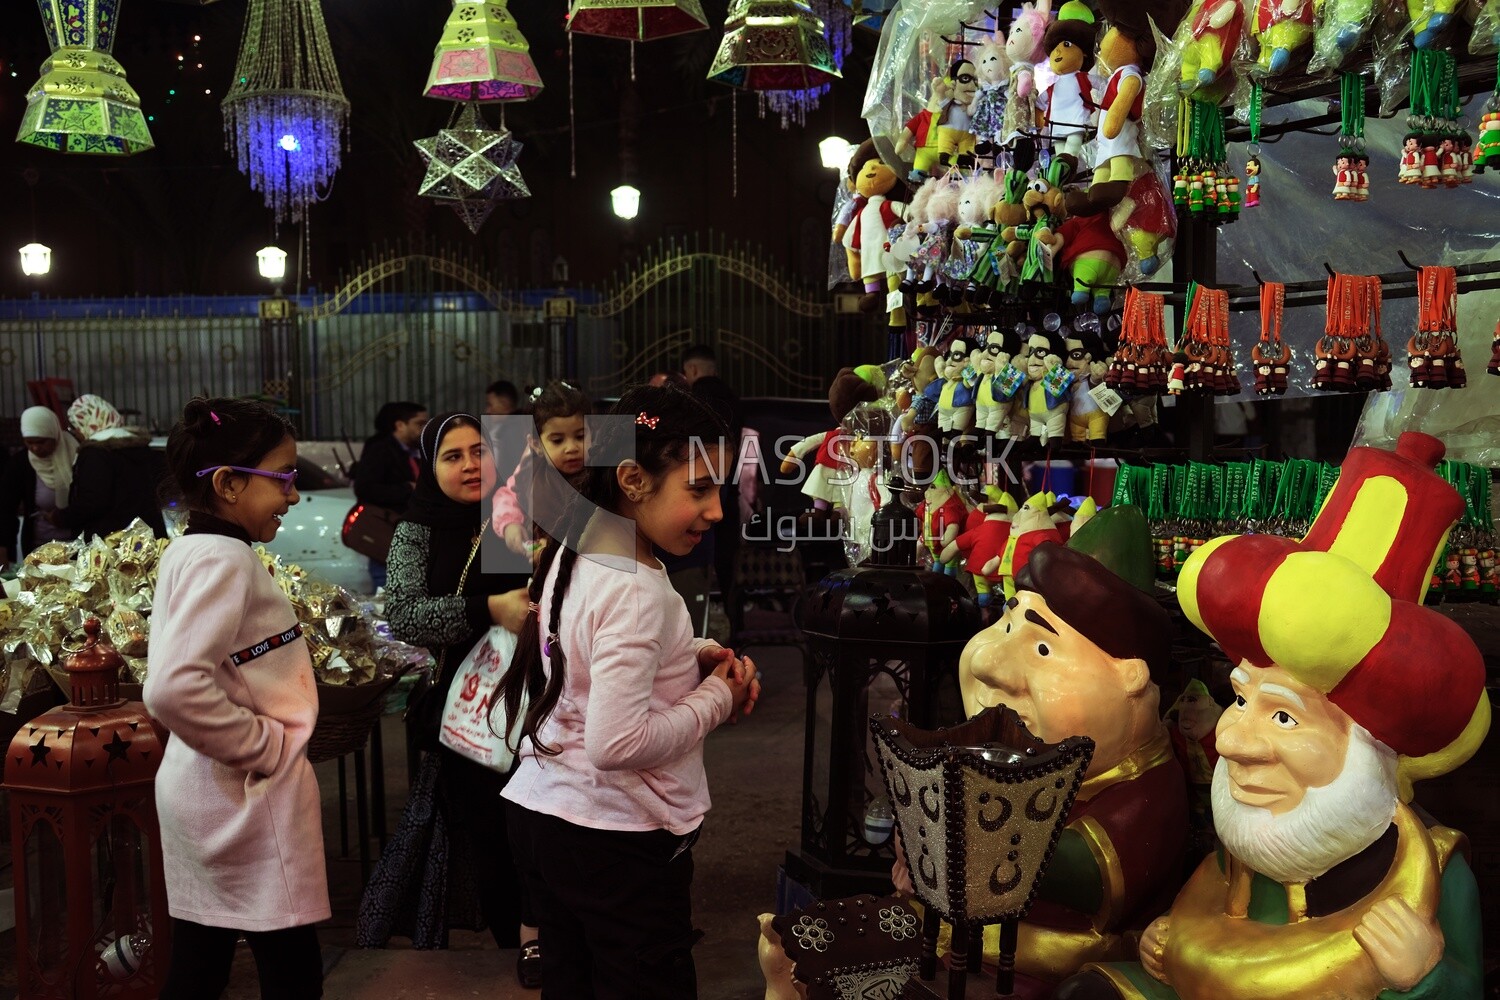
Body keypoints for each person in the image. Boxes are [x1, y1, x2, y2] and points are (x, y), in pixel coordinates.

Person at [1057, 433, 1488, 1000]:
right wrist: (1166, 943)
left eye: (1284, 717)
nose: (1232, 739)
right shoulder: (1251, 842)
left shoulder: (1434, 867)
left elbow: (1468, 987)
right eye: (1240, 699)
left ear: (1367, 744)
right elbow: (1203, 919)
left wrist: (1426, 977)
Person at [499, 383, 761, 999]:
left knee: (572, 979)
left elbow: (589, 654)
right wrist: (715, 699)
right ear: (633, 479)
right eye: (698, 489)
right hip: (613, 838)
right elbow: (618, 742)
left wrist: (694, 657)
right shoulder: (636, 585)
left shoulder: (585, 543)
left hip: (549, 812)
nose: (717, 510)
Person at [143, 396, 327, 999]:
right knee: (292, 972)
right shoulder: (222, 558)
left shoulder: (193, 551)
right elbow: (173, 686)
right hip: (242, 799)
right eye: (284, 479)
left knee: (200, 962)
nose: (294, 495)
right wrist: (267, 747)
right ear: (227, 483)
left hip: (208, 790)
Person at [357, 414, 537, 982]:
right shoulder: (419, 529)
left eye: (478, 451)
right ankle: (519, 945)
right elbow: (404, 614)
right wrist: (485, 609)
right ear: (429, 466)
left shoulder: (513, 519)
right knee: (489, 833)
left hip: (532, 700)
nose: (468, 465)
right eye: (451, 455)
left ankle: (539, 937)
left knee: (533, 828)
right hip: (462, 714)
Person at [681, 345, 743, 634]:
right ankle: (734, 634)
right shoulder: (733, 399)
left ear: (691, 371)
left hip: (696, 506)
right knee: (727, 572)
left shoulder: (691, 403)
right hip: (727, 497)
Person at [493, 381, 591, 565]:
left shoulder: (602, 475)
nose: (571, 448)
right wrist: (510, 524)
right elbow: (509, 495)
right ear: (535, 444)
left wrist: (554, 549)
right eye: (557, 440)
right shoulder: (529, 471)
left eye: (580, 436)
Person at [59, 394, 166, 539]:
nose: (76, 434)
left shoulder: (95, 454)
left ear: (85, 424)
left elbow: (92, 502)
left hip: (109, 544)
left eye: (74, 428)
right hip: (146, 538)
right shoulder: (140, 446)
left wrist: (61, 518)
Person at [354, 400, 428, 588]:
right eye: (419, 423)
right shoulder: (381, 450)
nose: (424, 428)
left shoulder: (417, 452)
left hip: (415, 534)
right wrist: (407, 489)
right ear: (400, 425)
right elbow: (365, 488)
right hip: (388, 531)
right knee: (388, 588)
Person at [0, 405, 80, 563]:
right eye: (29, 442)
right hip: (39, 550)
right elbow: (6, 509)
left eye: (41, 442)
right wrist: (3, 548)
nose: (35, 448)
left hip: (78, 548)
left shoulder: (78, 455)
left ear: (54, 434)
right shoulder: (21, 463)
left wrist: (63, 518)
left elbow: (91, 501)